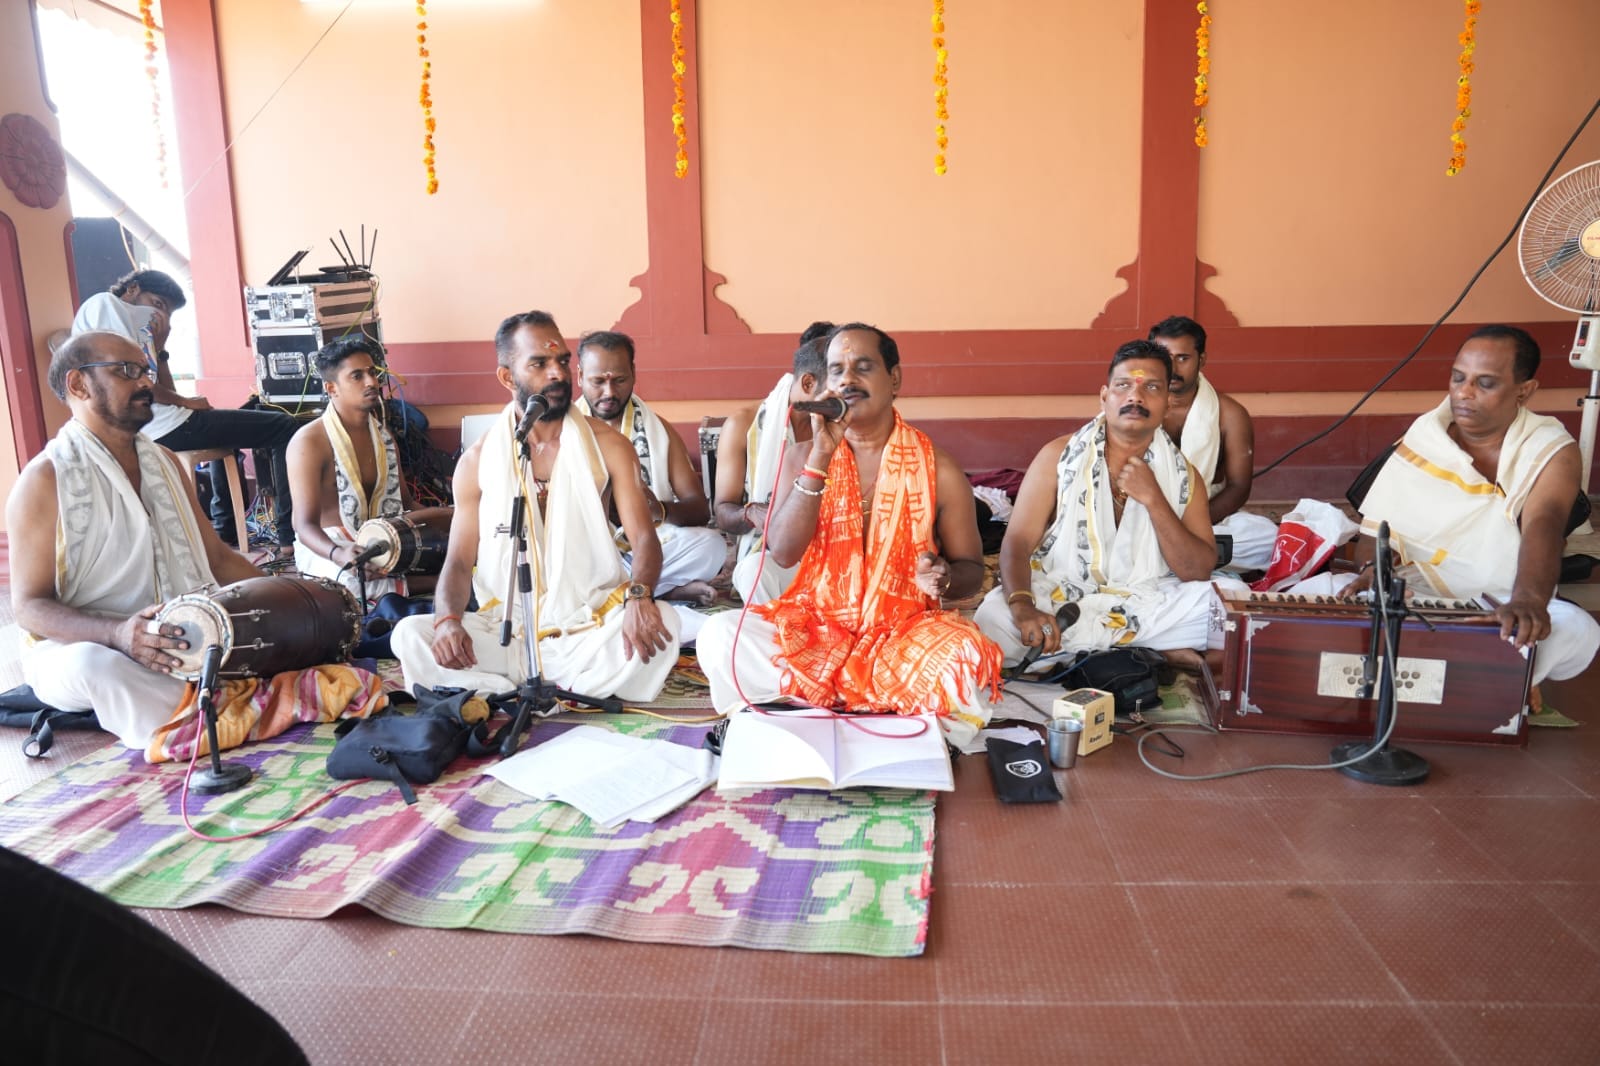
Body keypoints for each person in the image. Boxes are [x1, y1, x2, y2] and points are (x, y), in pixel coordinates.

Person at [696, 324, 1003, 749]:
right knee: (720, 635)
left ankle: (806, 714)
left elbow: (972, 570)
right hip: (816, 630)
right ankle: (882, 722)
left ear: (893, 379)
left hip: (901, 635)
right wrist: (821, 456)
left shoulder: (939, 469)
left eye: (863, 367)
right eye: (837, 370)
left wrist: (946, 576)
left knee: (966, 653)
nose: (848, 380)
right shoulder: (805, 455)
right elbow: (783, 552)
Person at [390, 311, 679, 702]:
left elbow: (644, 538)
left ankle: (498, 695)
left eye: (562, 361)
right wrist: (447, 621)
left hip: (587, 625)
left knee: (668, 622)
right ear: (508, 377)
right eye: (539, 364)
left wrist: (640, 597)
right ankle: (555, 689)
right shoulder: (478, 460)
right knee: (411, 635)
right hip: (507, 628)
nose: (557, 373)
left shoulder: (608, 444)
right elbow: (459, 561)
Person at [7, 332, 265, 749]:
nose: (146, 382)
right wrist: (119, 634)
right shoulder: (44, 480)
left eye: (145, 370)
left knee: (276, 636)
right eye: (126, 371)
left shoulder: (163, 461)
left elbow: (216, 558)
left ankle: (221, 714)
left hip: (179, 637)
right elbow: (28, 608)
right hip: (84, 648)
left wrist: (292, 596)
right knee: (97, 666)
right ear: (78, 384)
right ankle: (201, 729)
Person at [1334, 324, 1600, 692]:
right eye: (1458, 378)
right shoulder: (1426, 436)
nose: (1464, 392)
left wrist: (1528, 600)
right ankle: (1486, 684)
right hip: (1412, 596)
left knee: (1576, 629)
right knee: (1324, 593)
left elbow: (1546, 524)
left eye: (1485, 383)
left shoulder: (1549, 448)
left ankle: (1434, 682)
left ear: (1525, 391)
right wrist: (1374, 574)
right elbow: (1375, 534)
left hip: (1499, 603)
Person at [974, 340, 1222, 670]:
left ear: (1166, 404)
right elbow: (1017, 542)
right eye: (1123, 386)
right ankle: (1147, 653)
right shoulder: (1057, 456)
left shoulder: (1184, 476)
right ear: (1104, 397)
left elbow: (1197, 570)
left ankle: (1093, 656)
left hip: (1144, 601)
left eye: (1151, 387)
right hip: (1061, 595)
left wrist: (1154, 499)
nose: (1135, 397)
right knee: (993, 620)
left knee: (1225, 602)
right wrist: (1022, 607)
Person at [70, 269, 300, 556]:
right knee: (286, 426)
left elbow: (157, 384)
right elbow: (131, 381)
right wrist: (186, 401)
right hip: (162, 426)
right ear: (132, 289)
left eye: (166, 311)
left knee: (226, 434)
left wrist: (161, 348)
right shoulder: (107, 305)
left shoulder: (141, 329)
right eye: (157, 303)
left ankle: (226, 529)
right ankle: (290, 535)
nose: (159, 315)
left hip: (165, 423)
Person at [286, 334, 452, 608]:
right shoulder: (308, 442)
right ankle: (436, 582)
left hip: (385, 536)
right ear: (332, 388)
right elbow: (303, 526)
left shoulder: (383, 434)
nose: (372, 382)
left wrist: (449, 520)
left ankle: (426, 578)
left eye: (372, 373)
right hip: (331, 545)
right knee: (349, 584)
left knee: (461, 541)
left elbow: (407, 504)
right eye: (357, 376)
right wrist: (339, 553)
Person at [574, 330, 727, 613]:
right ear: (580, 376)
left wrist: (660, 510)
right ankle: (666, 593)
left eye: (619, 380)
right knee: (564, 563)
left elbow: (699, 509)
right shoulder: (565, 433)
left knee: (712, 545)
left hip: (651, 547)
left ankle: (627, 597)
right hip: (591, 552)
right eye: (598, 381)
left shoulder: (659, 432)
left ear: (633, 373)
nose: (609, 392)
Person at [713, 324, 833, 605]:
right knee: (756, 571)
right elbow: (721, 511)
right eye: (837, 377)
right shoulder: (743, 424)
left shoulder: (846, 422)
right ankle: (782, 637)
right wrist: (755, 514)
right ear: (807, 382)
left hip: (837, 548)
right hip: (771, 552)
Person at [1147, 315, 1277, 571]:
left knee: (1268, 539)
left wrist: (1190, 526)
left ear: (1201, 359)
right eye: (1164, 357)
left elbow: (1239, 487)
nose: (1171, 367)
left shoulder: (1230, 415)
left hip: (1205, 520)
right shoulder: (1134, 407)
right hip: (1142, 517)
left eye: (1182, 358)